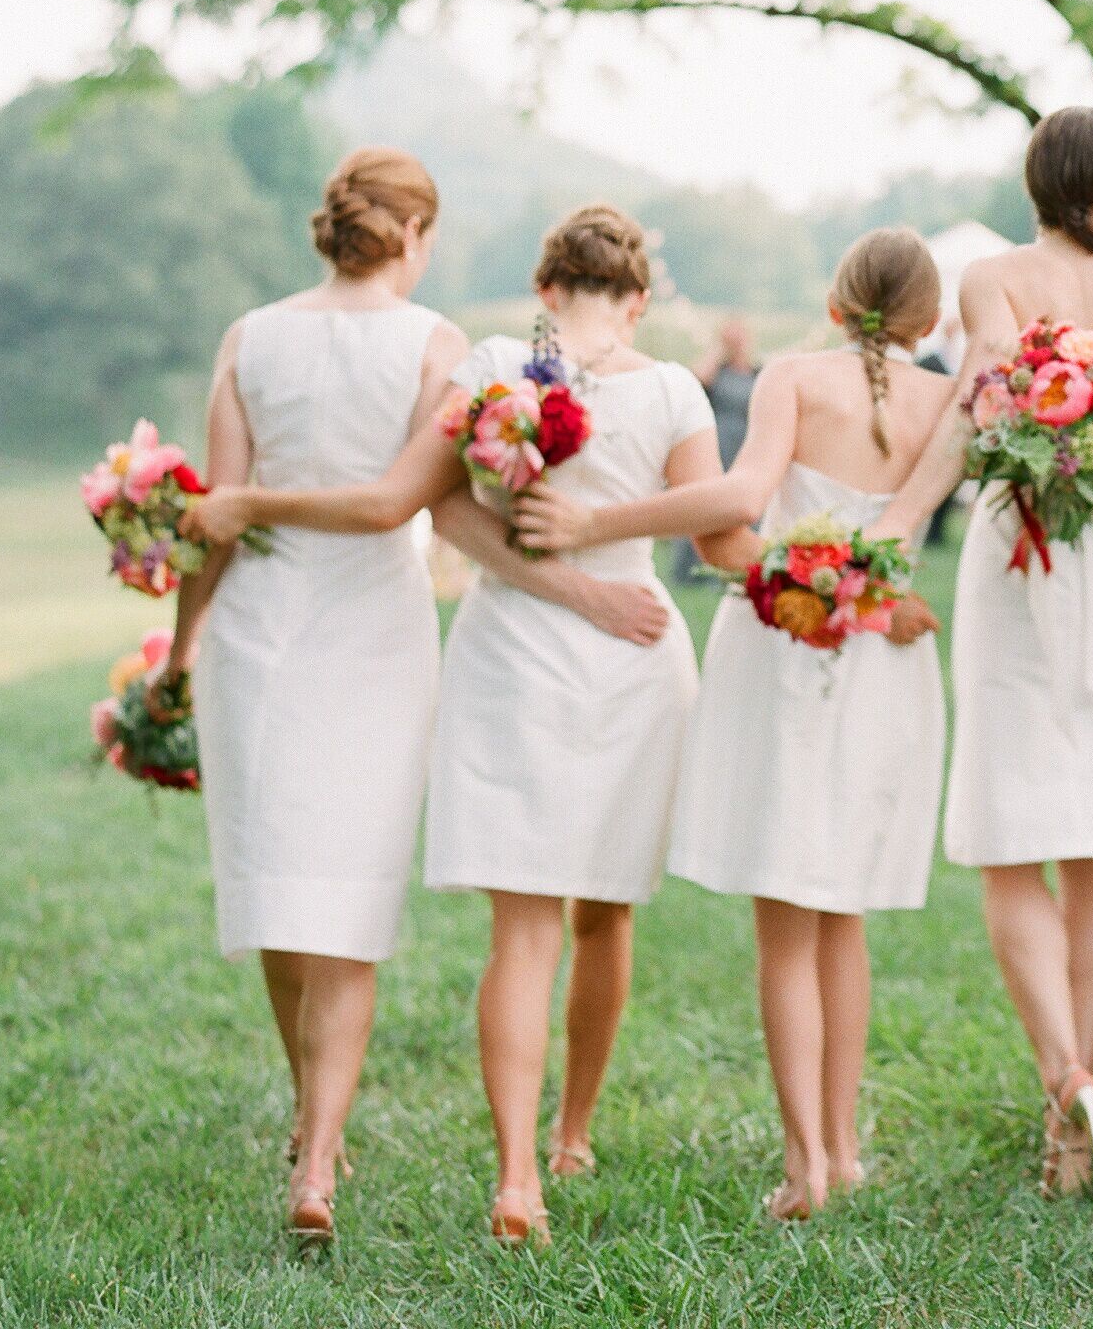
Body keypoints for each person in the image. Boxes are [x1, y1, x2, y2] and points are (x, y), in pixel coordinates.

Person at [167, 153, 668, 1244]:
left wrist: (179, 647)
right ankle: (317, 1151)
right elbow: (407, 499)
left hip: (256, 628)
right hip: (371, 634)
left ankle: (316, 1134)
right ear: (415, 234)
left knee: (276, 892)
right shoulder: (437, 343)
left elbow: (213, 521)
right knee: (341, 896)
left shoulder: (251, 335)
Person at [514, 230, 951, 1221]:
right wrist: (874, 598)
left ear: (837, 304)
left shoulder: (793, 373)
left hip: (786, 645)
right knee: (844, 915)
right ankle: (844, 1149)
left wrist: (597, 522)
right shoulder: (949, 399)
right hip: (885, 656)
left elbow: (736, 515)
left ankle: (803, 1167)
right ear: (928, 320)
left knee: (785, 926)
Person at [862, 107, 1093, 1195]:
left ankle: (1064, 1085)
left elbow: (977, 400)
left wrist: (908, 517)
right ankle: (1085, 1072)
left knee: (1015, 837)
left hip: (1021, 552)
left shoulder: (997, 276)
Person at [676, 319, 762, 582]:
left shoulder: (757, 371)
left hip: (745, 443)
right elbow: (694, 382)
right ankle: (694, 570)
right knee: (707, 499)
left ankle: (739, 565)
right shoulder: (716, 370)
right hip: (716, 443)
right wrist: (718, 351)